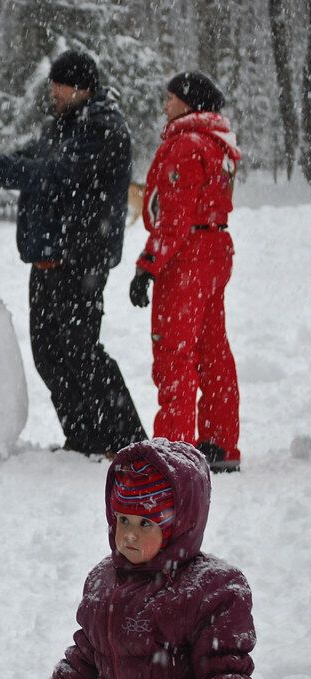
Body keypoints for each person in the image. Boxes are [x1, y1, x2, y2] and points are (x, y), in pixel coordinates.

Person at [0, 50, 146, 456]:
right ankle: (84, 437)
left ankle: (128, 441)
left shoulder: (102, 129)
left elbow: (54, 176)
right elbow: (26, 160)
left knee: (82, 350)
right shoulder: (61, 127)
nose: (52, 92)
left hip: (81, 259)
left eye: (58, 85)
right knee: (49, 353)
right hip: (48, 259)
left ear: (81, 88)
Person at [42, 438, 256, 679]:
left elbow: (225, 674)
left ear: (179, 526)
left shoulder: (208, 591)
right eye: (123, 519)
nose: (129, 534)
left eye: (145, 523)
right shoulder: (103, 580)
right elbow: (90, 648)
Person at [130, 72, 242, 473]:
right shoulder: (218, 144)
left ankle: (175, 452)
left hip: (186, 256)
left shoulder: (185, 145)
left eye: (171, 98)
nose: (165, 105)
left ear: (189, 102)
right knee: (213, 350)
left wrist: (147, 266)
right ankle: (219, 442)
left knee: (175, 353)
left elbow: (174, 216)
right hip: (216, 250)